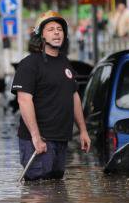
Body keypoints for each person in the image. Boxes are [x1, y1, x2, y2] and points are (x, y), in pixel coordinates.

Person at [11, 11, 91, 181]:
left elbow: (74, 96)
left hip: (61, 138)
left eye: (60, 29)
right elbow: (24, 100)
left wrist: (83, 131)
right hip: (38, 141)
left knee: (56, 190)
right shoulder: (29, 64)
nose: (56, 32)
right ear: (41, 35)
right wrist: (36, 137)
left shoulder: (64, 62)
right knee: (38, 194)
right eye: (50, 29)